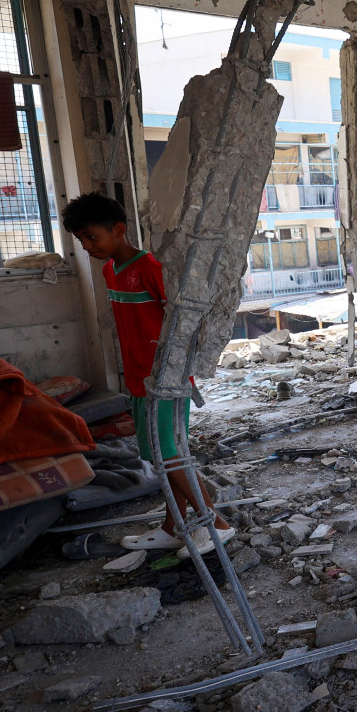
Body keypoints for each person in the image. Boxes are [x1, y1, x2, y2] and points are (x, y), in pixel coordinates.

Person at [63, 193, 234, 556]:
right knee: (158, 457)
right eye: (81, 240)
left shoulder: (152, 267)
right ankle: (174, 526)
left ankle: (215, 523)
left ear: (119, 230)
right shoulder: (111, 270)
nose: (87, 246)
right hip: (140, 380)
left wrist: (179, 371)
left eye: (92, 237)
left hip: (167, 380)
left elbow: (184, 323)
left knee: (172, 455)